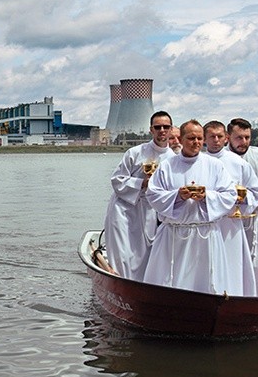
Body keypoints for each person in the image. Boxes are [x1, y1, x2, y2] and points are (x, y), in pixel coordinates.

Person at [144, 120, 237, 294]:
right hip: (173, 234)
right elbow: (152, 194)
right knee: (170, 284)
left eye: (199, 138)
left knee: (207, 284)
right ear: (181, 138)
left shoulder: (215, 165)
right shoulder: (167, 165)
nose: (196, 142)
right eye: (191, 138)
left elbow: (230, 195)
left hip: (205, 234)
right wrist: (177, 196)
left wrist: (206, 197)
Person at [102, 110, 176, 280]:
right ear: (151, 129)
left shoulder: (173, 159)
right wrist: (141, 183)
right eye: (158, 127)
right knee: (122, 253)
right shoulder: (135, 153)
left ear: (171, 129)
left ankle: (142, 287)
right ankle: (119, 284)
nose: (162, 130)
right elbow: (117, 180)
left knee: (144, 254)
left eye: (166, 127)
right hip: (124, 210)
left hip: (150, 211)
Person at [203, 120, 258, 295]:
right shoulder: (198, 161)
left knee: (233, 262)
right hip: (204, 223)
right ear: (204, 139)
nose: (216, 140)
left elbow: (256, 191)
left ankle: (235, 295)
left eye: (219, 136)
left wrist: (243, 199)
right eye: (211, 137)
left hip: (230, 223)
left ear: (226, 138)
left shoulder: (238, 163)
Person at [227, 117, 258, 296]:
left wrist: (254, 198)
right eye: (239, 138)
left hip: (257, 216)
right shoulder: (220, 158)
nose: (244, 142)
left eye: (247, 137)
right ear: (228, 137)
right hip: (230, 218)